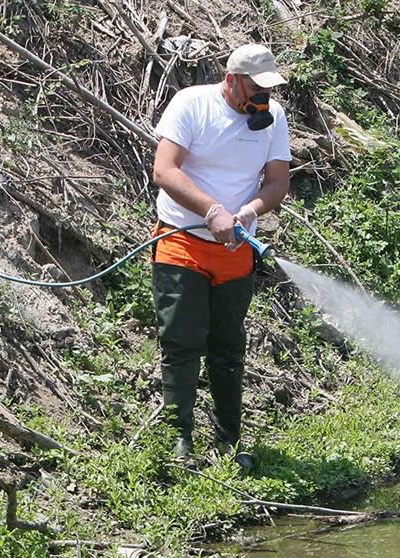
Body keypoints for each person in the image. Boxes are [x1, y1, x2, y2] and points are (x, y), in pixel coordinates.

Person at [150, 44, 291, 469]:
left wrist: (249, 211)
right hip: (182, 240)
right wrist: (211, 211)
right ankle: (179, 439)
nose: (263, 98)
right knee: (181, 340)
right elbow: (164, 169)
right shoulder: (192, 104)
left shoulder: (273, 118)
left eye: (269, 89)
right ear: (232, 80)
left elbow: (277, 182)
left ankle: (229, 438)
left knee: (228, 346)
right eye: (256, 88)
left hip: (235, 250)